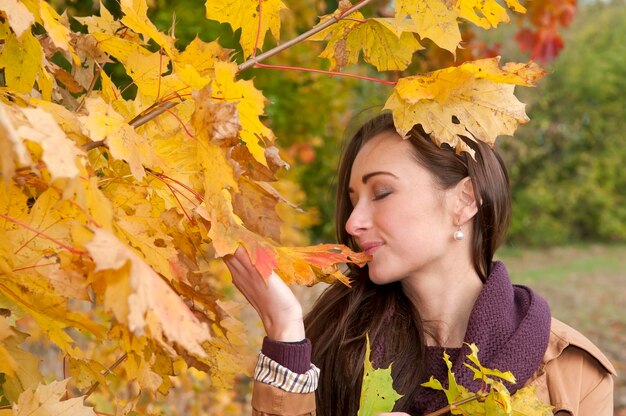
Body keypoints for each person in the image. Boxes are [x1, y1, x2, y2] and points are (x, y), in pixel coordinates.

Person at [225, 112, 615, 416]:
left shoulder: (574, 370)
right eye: (353, 197)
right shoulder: (330, 340)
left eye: (381, 192)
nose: (352, 222)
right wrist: (285, 333)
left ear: (465, 201)